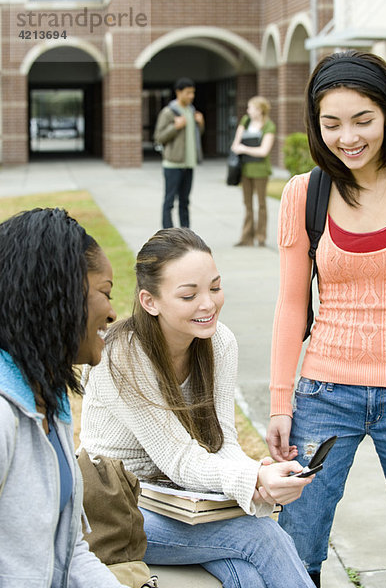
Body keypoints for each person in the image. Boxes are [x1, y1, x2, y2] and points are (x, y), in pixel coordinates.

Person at [79, 226, 316, 588]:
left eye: (215, 288)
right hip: (121, 507)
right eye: (189, 295)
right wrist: (251, 479)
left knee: (250, 573)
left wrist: (260, 475)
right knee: (260, 537)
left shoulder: (219, 342)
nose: (208, 304)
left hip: (184, 501)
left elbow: (222, 443)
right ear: (150, 301)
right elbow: (178, 457)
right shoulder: (121, 355)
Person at [266, 50, 386, 588]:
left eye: (363, 119)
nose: (348, 137)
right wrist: (280, 402)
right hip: (325, 392)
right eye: (332, 123)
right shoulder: (306, 192)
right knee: (298, 544)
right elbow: (291, 305)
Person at [0, 207, 128, 587]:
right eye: (104, 293)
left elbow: (67, 551)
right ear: (56, 295)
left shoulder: (49, 403)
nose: (112, 313)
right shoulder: (4, 415)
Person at [154, 77, 205, 229]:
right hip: (173, 164)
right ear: (178, 92)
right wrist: (175, 127)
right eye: (188, 93)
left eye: (193, 93)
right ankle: (167, 234)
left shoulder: (192, 111)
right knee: (169, 201)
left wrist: (201, 124)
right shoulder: (169, 112)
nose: (191, 96)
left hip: (189, 163)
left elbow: (196, 135)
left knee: (185, 201)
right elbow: (158, 137)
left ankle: (186, 234)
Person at [231, 96, 275, 247]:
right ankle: (246, 237)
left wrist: (244, 149)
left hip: (261, 171)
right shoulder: (246, 121)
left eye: (251, 108)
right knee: (247, 204)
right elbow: (235, 144)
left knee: (261, 204)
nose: (248, 111)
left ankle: (261, 237)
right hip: (245, 169)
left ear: (260, 110)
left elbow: (264, 151)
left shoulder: (268, 126)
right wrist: (242, 148)